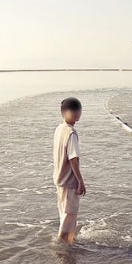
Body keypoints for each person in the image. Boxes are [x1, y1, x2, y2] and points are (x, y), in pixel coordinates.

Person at [53, 97, 85, 242]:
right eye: (74, 111)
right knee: (69, 216)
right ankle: (61, 247)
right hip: (69, 181)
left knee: (64, 215)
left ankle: (66, 245)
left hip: (59, 181)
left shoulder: (59, 129)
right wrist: (80, 181)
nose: (77, 113)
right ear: (64, 112)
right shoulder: (71, 133)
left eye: (78, 110)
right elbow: (73, 159)